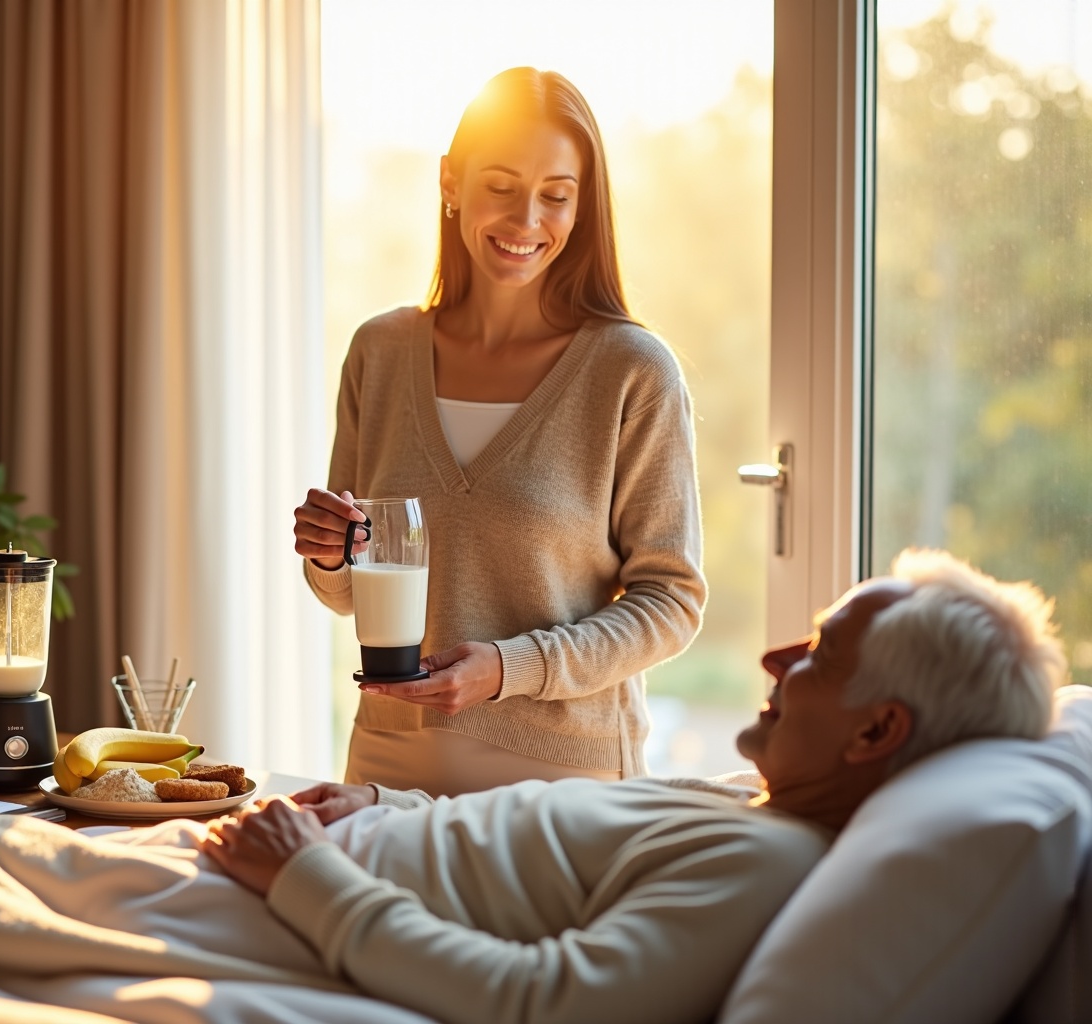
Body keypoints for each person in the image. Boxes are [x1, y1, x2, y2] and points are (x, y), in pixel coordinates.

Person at [201, 549, 1064, 1024]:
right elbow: (527, 841)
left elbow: (541, 1001)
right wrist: (385, 806)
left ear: (876, 732)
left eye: (819, 654)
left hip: (282, 905)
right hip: (305, 858)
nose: (774, 660)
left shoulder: (763, 865)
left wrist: (305, 876)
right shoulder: (746, 800)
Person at [293, 67, 706, 796]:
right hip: (390, 760)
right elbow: (353, 594)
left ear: (582, 208)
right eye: (502, 187)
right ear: (451, 183)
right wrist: (329, 557)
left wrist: (510, 669)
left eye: (555, 196)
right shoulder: (380, 353)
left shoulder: (632, 372)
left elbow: (670, 603)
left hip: (564, 777)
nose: (526, 221)